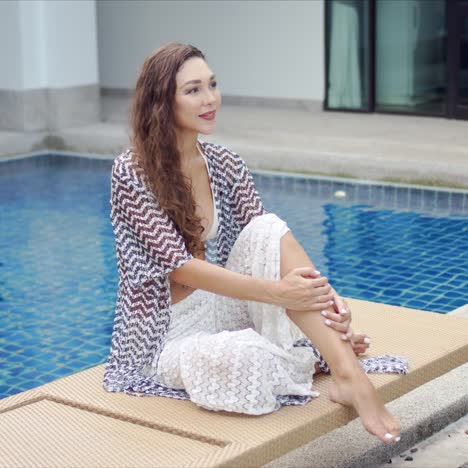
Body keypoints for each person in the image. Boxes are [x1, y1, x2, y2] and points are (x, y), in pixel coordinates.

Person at [104, 42, 407, 444]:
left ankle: (349, 373)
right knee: (244, 362)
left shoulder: (225, 162)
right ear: (162, 101)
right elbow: (179, 266)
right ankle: (314, 354)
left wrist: (330, 302)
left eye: (212, 84)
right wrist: (281, 294)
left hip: (227, 308)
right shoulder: (132, 172)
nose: (210, 99)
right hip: (169, 335)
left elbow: (270, 242)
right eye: (193, 90)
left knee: (267, 227)